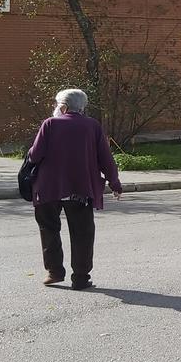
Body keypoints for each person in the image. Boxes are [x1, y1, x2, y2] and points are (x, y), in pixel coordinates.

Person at [28, 88, 123, 290]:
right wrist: (115, 184)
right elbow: (106, 158)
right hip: (80, 189)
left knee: (49, 229)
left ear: (63, 106)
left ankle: (54, 272)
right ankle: (80, 278)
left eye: (56, 104)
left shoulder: (50, 124)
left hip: (49, 188)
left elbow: (35, 156)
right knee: (82, 233)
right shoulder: (92, 126)